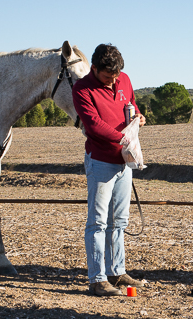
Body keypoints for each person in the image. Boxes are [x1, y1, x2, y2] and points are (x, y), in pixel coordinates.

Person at [72, 44, 147, 297]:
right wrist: (123, 138)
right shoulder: (81, 89)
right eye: (107, 77)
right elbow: (93, 125)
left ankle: (116, 271)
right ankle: (97, 279)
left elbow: (132, 105)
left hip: (125, 161)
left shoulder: (124, 79)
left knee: (119, 221)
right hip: (101, 161)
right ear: (94, 69)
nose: (113, 80)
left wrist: (138, 117)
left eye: (116, 76)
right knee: (98, 222)